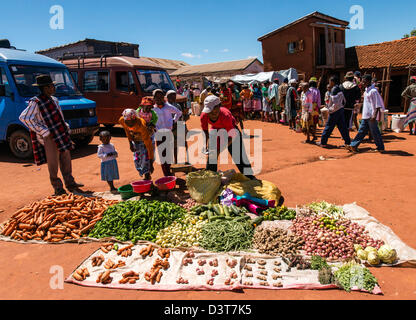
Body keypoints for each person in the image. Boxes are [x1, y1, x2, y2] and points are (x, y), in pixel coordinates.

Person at [19, 74, 84, 196]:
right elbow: (25, 118)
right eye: (51, 86)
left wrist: (65, 125)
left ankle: (70, 183)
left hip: (60, 133)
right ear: (44, 88)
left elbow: (59, 116)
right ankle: (58, 187)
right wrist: (44, 131)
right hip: (49, 137)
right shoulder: (36, 102)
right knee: (53, 162)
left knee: (66, 158)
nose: (53, 88)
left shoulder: (54, 100)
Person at [200, 95, 256, 179]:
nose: (212, 115)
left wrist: (220, 149)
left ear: (219, 106)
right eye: (209, 112)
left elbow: (232, 135)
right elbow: (205, 131)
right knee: (212, 156)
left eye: (214, 112)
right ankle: (210, 178)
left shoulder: (225, 115)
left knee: (238, 156)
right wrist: (206, 145)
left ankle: (250, 177)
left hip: (232, 132)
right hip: (215, 130)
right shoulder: (204, 116)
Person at [347, 74, 385, 153]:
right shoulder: (366, 91)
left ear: (368, 81)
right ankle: (353, 145)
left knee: (375, 132)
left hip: (371, 115)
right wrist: (358, 105)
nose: (362, 83)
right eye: (362, 81)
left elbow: (377, 104)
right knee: (362, 131)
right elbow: (367, 103)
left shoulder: (373, 91)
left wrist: (374, 115)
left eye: (364, 82)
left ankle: (380, 147)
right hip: (366, 115)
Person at [153, 89, 182, 176]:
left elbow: (178, 112)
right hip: (158, 134)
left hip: (168, 133)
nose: (159, 99)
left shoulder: (168, 106)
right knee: (162, 154)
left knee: (169, 153)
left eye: (161, 97)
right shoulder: (153, 109)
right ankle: (166, 173)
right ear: (154, 98)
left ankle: (168, 170)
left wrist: (174, 121)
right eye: (157, 97)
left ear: (163, 97)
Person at [119, 109, 155, 181]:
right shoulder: (122, 120)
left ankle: (147, 177)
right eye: (127, 122)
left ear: (134, 119)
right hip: (135, 140)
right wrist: (130, 144)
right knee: (137, 159)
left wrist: (151, 164)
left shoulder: (141, 126)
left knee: (145, 158)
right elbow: (127, 130)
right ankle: (146, 175)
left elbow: (149, 146)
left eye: (130, 122)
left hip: (146, 139)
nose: (129, 124)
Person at [317, 76, 351, 148]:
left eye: (330, 81)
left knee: (329, 126)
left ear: (332, 82)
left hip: (335, 111)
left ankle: (323, 142)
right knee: (342, 127)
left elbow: (335, 103)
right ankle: (347, 142)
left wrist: (330, 110)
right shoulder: (339, 88)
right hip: (340, 110)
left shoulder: (334, 90)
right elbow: (343, 100)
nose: (329, 83)